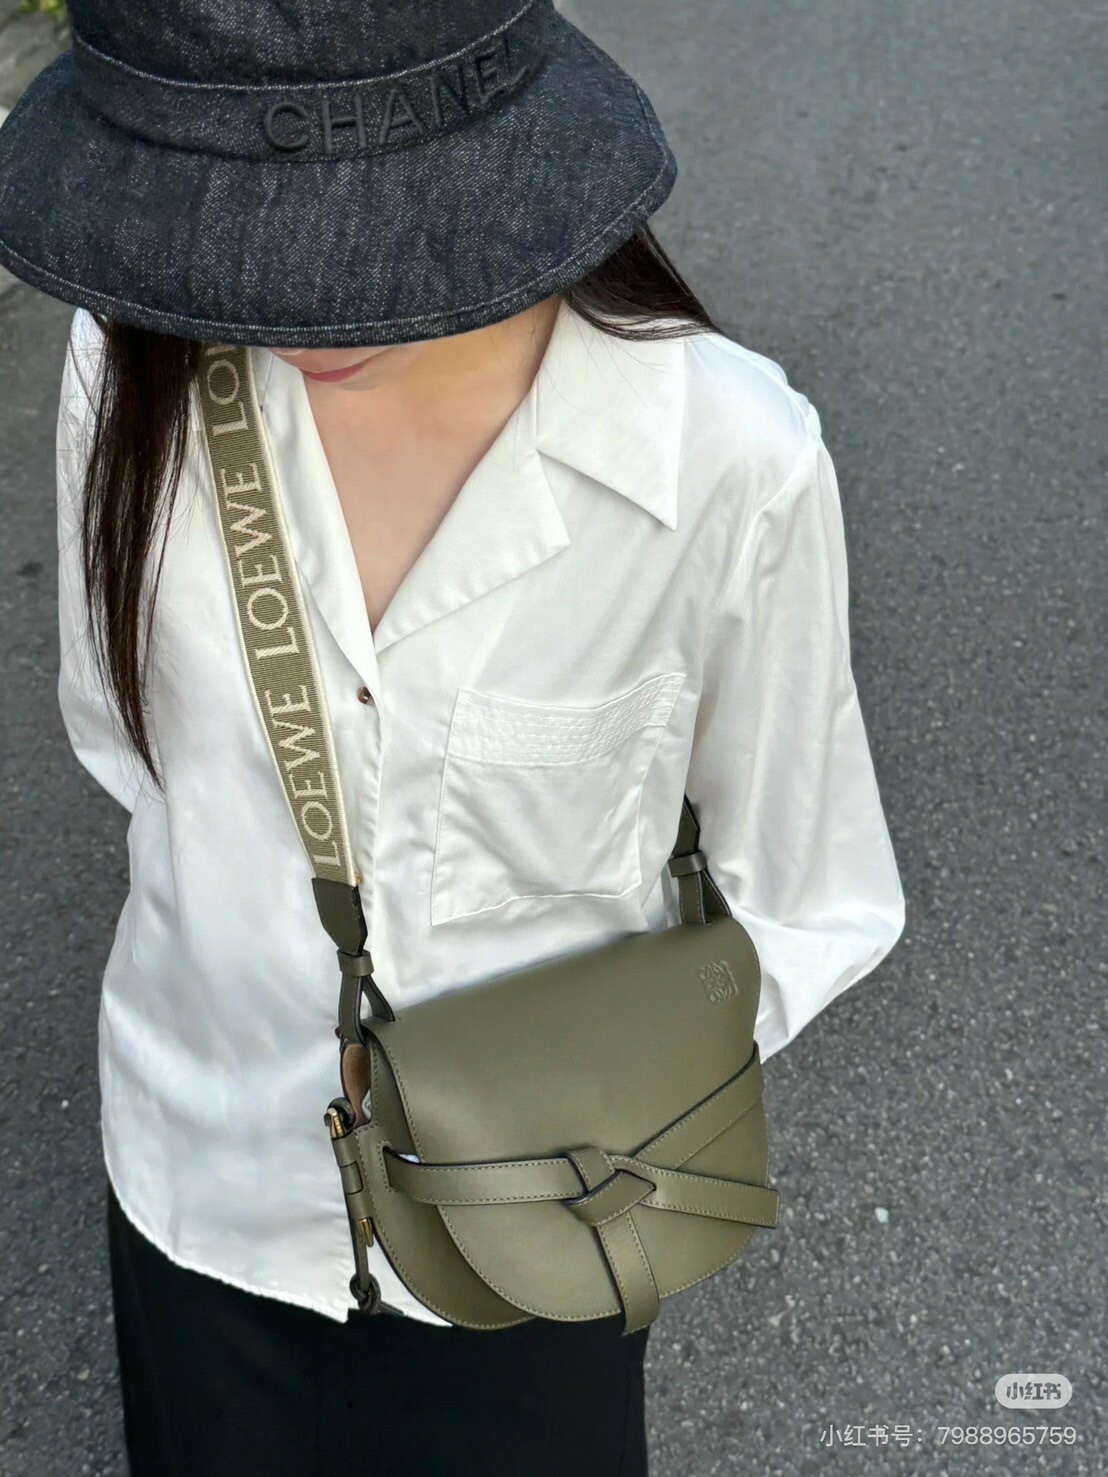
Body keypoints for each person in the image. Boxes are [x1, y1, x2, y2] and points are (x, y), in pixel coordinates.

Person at [0, 2, 906, 1473]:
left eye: (355, 232)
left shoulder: (727, 462)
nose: (297, 314)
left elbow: (813, 896)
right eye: (239, 233)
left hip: (548, 1236)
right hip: (197, 1184)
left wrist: (599, 1094)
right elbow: (122, 737)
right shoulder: (132, 358)